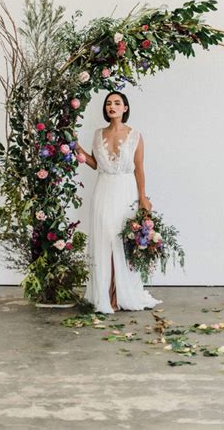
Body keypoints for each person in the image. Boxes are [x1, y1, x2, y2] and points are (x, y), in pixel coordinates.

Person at [75, 91, 163, 314]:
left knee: (121, 240)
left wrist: (143, 198)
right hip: (103, 190)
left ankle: (120, 293)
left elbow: (139, 168)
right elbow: (96, 164)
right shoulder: (97, 134)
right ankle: (104, 294)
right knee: (104, 239)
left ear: (125, 108)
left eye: (116, 103)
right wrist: (78, 150)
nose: (111, 106)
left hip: (126, 191)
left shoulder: (136, 135)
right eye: (108, 103)